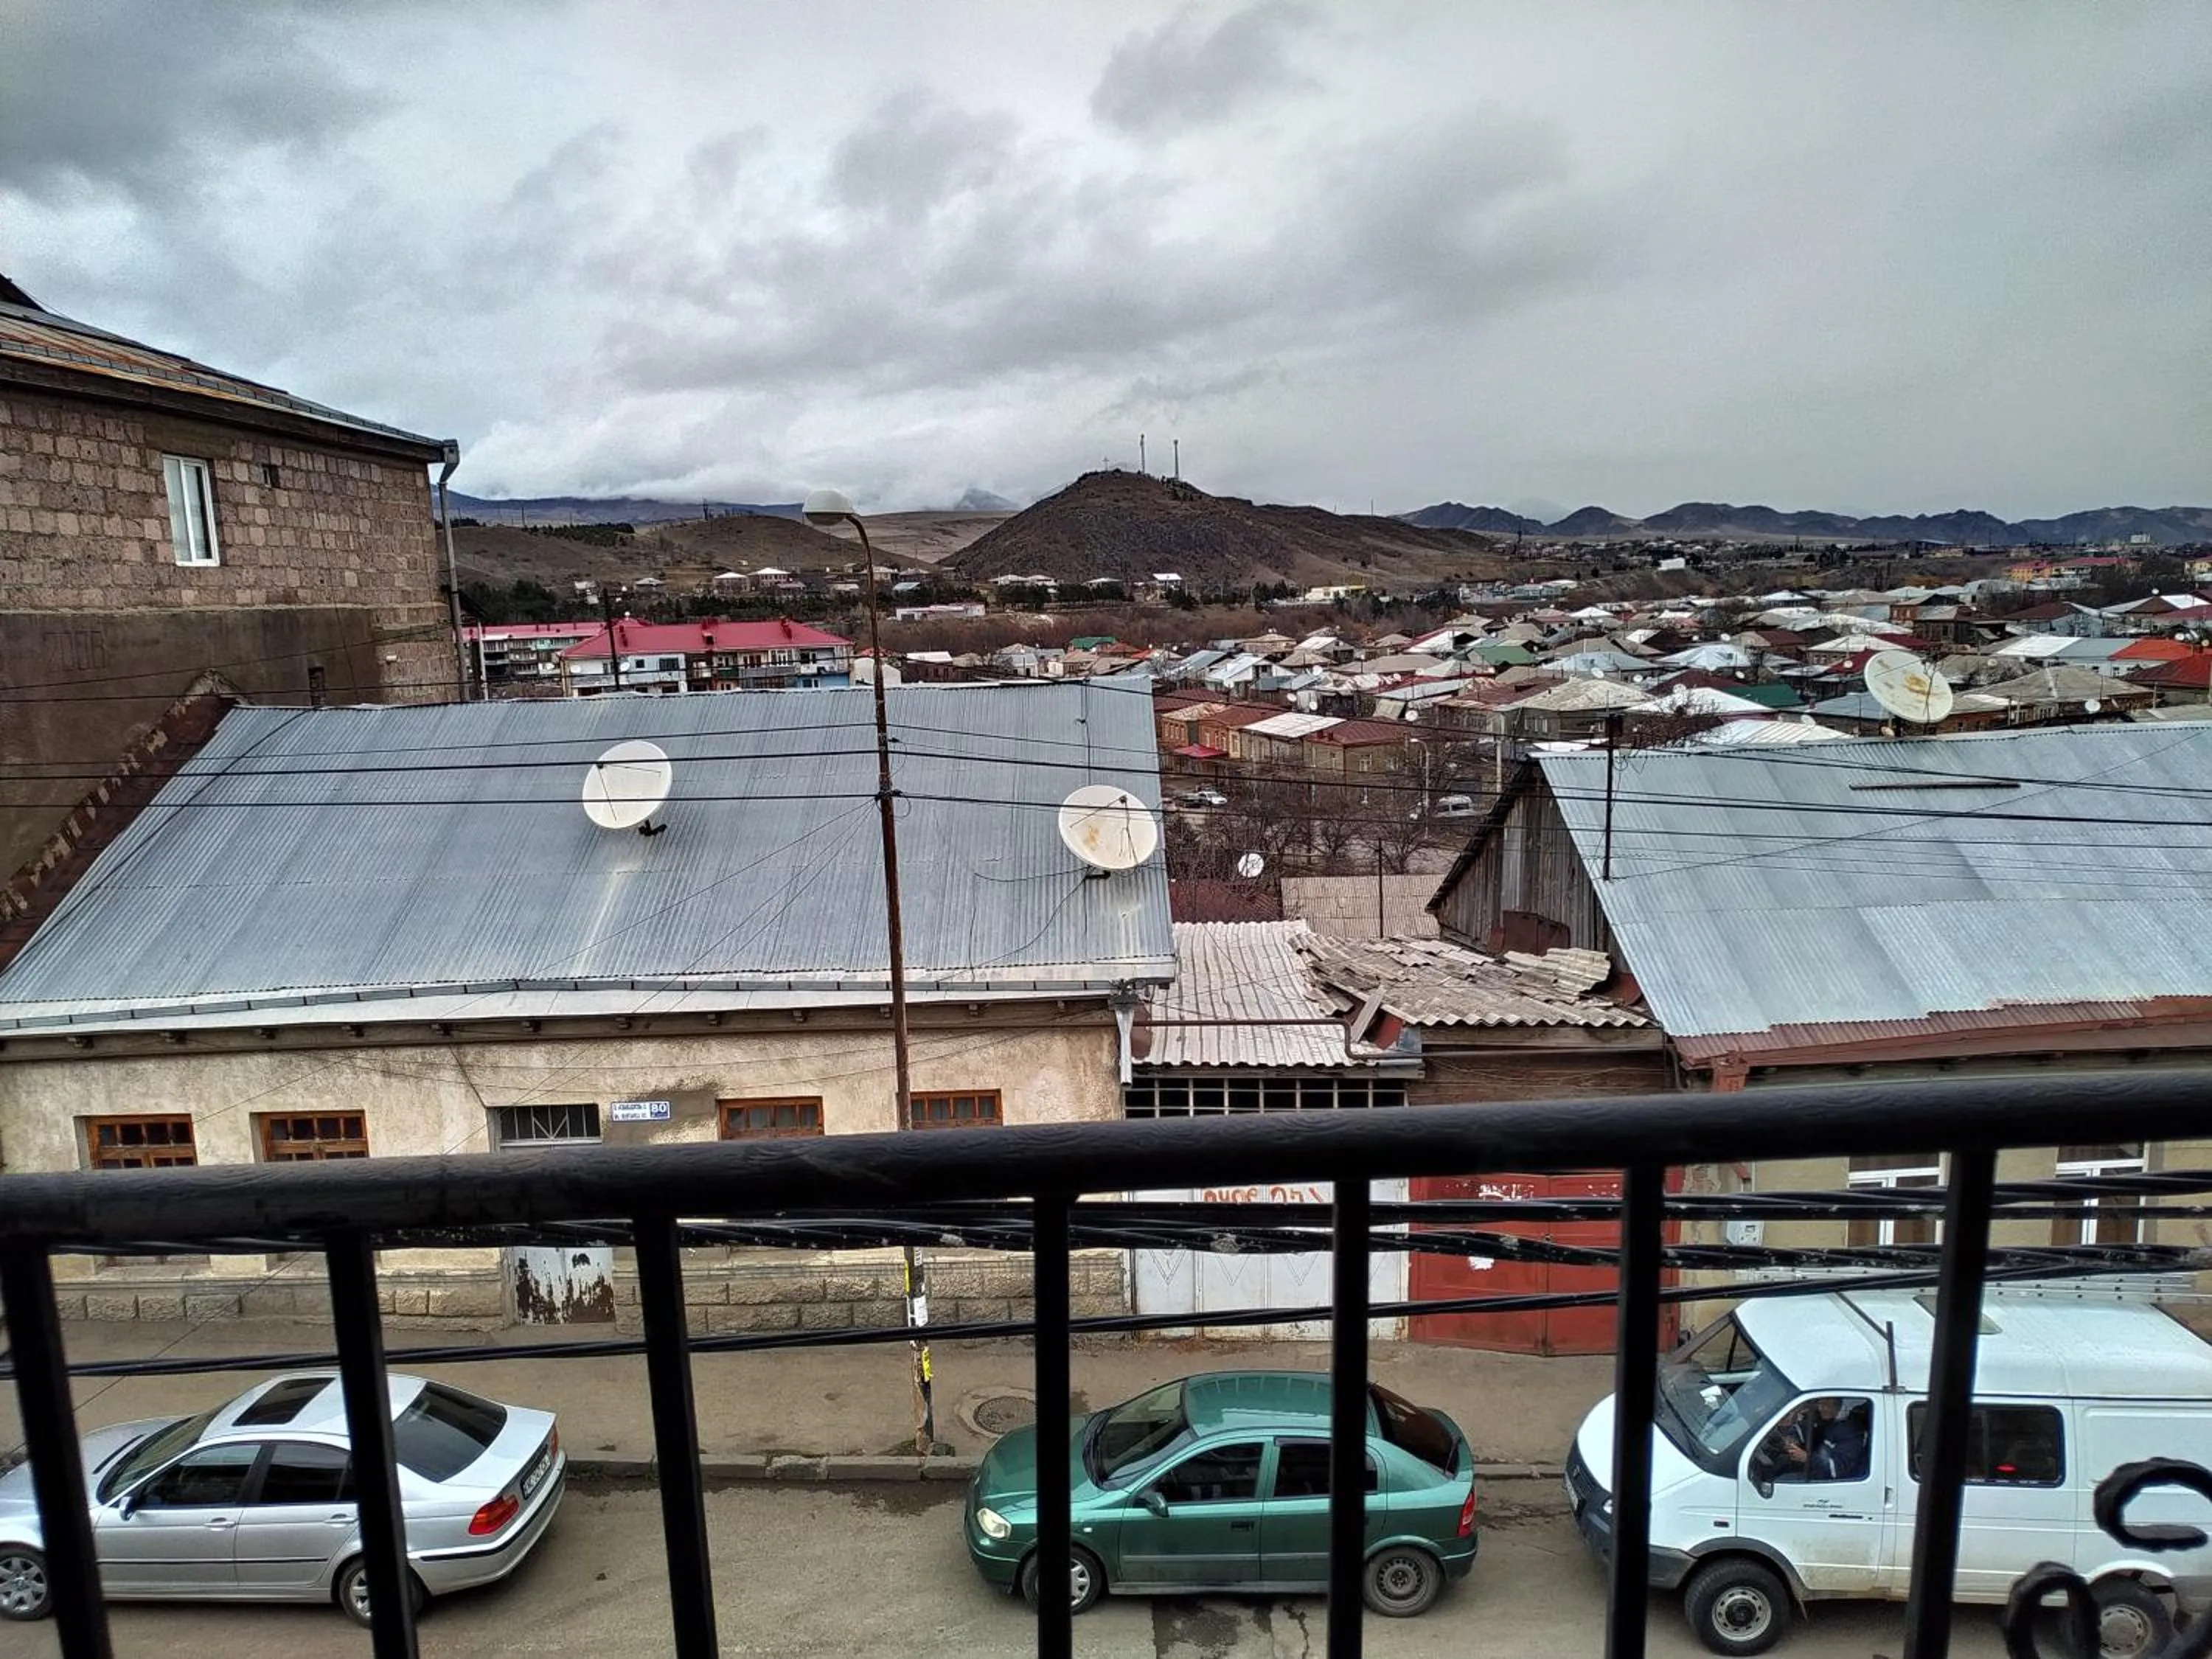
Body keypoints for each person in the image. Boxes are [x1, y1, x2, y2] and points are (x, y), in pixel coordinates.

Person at [1778, 1397, 1871, 1482]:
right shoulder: (1823, 1417)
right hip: (1813, 1469)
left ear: (1836, 1405)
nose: (1820, 1408)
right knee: (1781, 1463)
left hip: (1831, 1482)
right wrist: (1792, 1439)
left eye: (1825, 1405)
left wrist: (1807, 1458)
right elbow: (1803, 1429)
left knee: (1781, 1481)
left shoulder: (1851, 1432)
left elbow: (1839, 1470)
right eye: (1819, 1404)